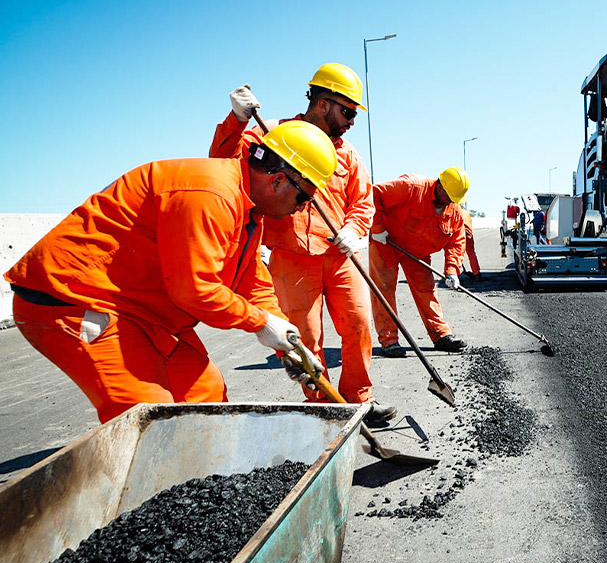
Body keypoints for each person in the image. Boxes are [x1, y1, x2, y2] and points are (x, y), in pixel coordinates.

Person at [5, 123, 335, 424]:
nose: (302, 207)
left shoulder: (248, 210)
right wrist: (262, 323)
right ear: (278, 180)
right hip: (75, 300)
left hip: (143, 313)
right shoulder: (211, 195)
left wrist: (290, 345)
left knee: (205, 395)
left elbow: (253, 282)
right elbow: (195, 290)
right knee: (148, 416)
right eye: (304, 197)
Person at [210, 64, 394, 427]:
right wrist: (235, 120)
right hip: (290, 258)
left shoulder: (349, 155)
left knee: (357, 324)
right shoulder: (272, 136)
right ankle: (326, 406)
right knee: (304, 338)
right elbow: (222, 163)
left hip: (340, 257)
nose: (352, 121)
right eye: (348, 111)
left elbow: (363, 202)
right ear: (323, 104)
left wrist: (354, 229)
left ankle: (359, 398)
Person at [369, 168, 470, 354]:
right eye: (449, 196)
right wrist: (377, 228)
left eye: (455, 198)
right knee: (383, 290)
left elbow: (457, 241)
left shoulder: (454, 211)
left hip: (417, 253)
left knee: (426, 290)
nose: (451, 201)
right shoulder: (411, 186)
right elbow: (374, 193)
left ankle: (440, 336)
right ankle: (389, 341)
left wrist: (452, 270)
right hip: (386, 243)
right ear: (440, 185)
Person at [461, 211, 482, 280]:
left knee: (454, 253)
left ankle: (451, 273)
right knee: (471, 253)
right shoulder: (466, 213)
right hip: (468, 234)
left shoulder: (454, 211)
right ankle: (477, 273)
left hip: (459, 234)